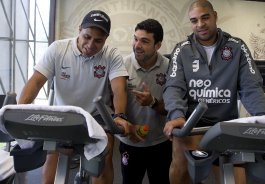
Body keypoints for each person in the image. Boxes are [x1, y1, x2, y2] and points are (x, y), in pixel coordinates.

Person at [162, 0, 265, 184]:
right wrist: (176, 114)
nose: (200, 24)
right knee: (181, 167)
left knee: (236, 179)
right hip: (192, 124)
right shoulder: (182, 50)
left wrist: (263, 117)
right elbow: (174, 87)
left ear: (215, 16)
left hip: (225, 124)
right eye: (194, 20)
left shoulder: (237, 47)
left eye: (205, 18)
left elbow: (250, 86)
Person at [18, 10, 130, 184]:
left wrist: (120, 116)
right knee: (51, 154)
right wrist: (21, 110)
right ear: (79, 30)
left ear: (106, 38)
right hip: (63, 114)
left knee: (105, 154)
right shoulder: (58, 49)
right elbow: (36, 81)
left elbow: (119, 88)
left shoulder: (111, 55)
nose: (91, 44)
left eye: (98, 40)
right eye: (87, 37)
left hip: (96, 116)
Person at [116, 19, 171, 184]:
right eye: (135, 39)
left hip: (160, 142)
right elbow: (112, 103)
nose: (137, 45)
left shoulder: (170, 67)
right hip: (130, 142)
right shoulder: (121, 66)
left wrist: (152, 102)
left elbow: (173, 108)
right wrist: (127, 126)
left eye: (144, 41)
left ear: (158, 45)